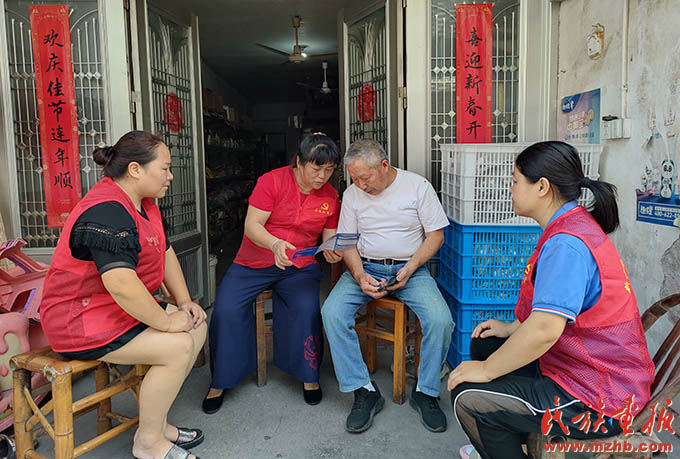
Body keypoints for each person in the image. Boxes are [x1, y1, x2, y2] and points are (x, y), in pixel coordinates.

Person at [448, 141, 655, 459]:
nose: (511, 189)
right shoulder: (569, 226)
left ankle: (500, 436)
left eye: (515, 181)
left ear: (542, 187)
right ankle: (507, 436)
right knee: (485, 344)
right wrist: (511, 328)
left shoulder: (566, 244)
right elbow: (557, 309)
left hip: (600, 397)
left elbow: (545, 329)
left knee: (470, 398)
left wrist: (487, 371)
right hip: (587, 368)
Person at [40, 131, 207, 459]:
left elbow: (165, 251)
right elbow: (121, 284)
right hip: (80, 317)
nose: (170, 176)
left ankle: (156, 426)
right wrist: (165, 321)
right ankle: (148, 443)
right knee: (179, 344)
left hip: (118, 310)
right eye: (165, 168)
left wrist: (185, 301)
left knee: (196, 324)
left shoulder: (145, 204)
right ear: (135, 169)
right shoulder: (106, 210)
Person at [321, 139, 455, 434]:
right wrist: (358, 276)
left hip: (411, 268)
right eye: (354, 179)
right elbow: (347, 243)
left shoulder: (417, 187)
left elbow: (435, 236)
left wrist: (409, 269)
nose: (360, 185)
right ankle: (363, 390)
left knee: (440, 320)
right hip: (365, 267)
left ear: (384, 166)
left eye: (364, 178)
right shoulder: (353, 194)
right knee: (331, 312)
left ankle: (427, 392)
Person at [203, 133, 342, 414]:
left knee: (306, 310)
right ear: (299, 162)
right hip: (254, 261)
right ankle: (221, 381)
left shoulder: (330, 195)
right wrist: (275, 244)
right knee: (226, 311)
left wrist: (332, 251)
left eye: (329, 170)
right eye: (316, 168)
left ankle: (309, 377)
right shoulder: (272, 181)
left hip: (299, 267)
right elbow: (252, 225)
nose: (322, 176)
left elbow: (330, 237)